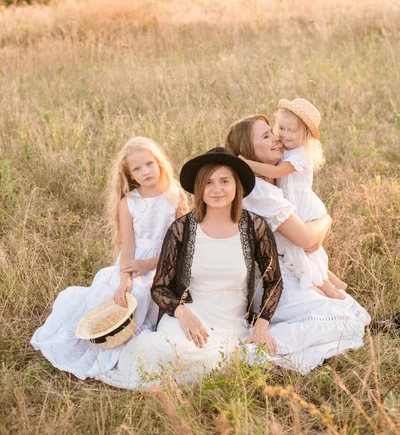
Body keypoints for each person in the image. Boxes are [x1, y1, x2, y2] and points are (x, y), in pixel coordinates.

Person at [98, 147, 283, 389]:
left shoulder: (255, 227)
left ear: (237, 186)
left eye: (224, 181)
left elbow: (274, 281)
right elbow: (160, 287)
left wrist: (261, 327)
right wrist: (182, 313)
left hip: (230, 321)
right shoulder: (182, 228)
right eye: (208, 182)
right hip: (186, 316)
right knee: (168, 351)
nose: (216, 189)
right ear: (199, 189)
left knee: (215, 359)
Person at [31, 136, 188, 380]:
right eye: (137, 168)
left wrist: (150, 264)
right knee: (130, 294)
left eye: (149, 164)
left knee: (161, 292)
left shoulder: (174, 196)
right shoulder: (129, 203)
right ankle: (118, 339)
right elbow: (127, 247)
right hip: (134, 263)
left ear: (160, 163)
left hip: (168, 261)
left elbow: (182, 241)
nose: (145, 171)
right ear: (130, 175)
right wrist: (125, 277)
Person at [225, 114, 371, 374]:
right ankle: (257, 348)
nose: (276, 138)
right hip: (270, 282)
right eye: (266, 136)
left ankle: (272, 339)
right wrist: (326, 219)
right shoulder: (258, 191)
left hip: (289, 269)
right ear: (247, 151)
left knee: (351, 310)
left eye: (273, 132)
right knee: (346, 319)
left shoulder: (273, 181)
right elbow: (305, 239)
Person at [239, 98, 346, 299]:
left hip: (302, 205)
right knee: (306, 251)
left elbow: (277, 171)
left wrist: (247, 164)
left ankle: (330, 290)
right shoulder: (287, 150)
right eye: (281, 128)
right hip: (293, 202)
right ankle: (336, 284)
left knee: (303, 250)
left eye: (292, 131)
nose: (284, 135)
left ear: (305, 134)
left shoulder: (300, 155)